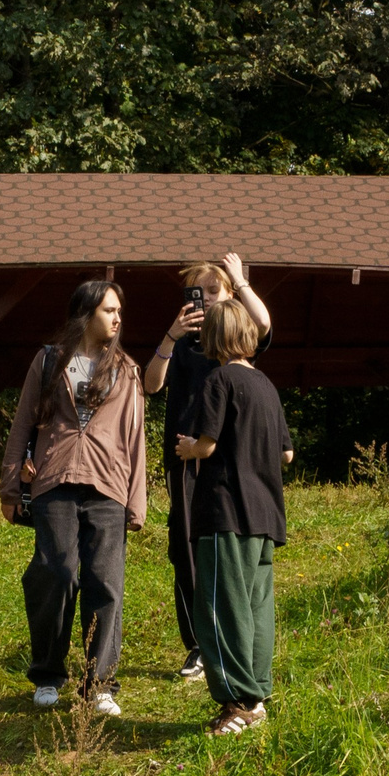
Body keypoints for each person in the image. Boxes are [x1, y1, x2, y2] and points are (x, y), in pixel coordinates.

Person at [0, 277, 154, 716]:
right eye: (109, 310)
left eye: (119, 311)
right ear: (86, 315)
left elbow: (135, 438)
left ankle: (99, 684)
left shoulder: (126, 370)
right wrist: (10, 486)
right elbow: (23, 424)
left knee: (106, 582)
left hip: (109, 487)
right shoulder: (49, 361)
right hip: (55, 482)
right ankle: (48, 674)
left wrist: (136, 502)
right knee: (57, 573)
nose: (118, 318)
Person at [141, 254, 272, 681]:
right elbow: (150, 385)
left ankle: (231, 643)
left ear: (230, 294)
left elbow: (265, 326)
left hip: (229, 460)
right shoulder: (182, 343)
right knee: (185, 547)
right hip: (184, 455)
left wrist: (241, 280)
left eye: (214, 291)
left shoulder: (239, 340)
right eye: (198, 292)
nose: (206, 300)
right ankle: (198, 644)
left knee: (228, 548)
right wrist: (170, 335)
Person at [171, 300, 289, 735]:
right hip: (266, 517)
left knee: (222, 607)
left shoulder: (218, 380)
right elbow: (288, 452)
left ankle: (235, 702)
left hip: (225, 511)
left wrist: (188, 448)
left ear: (214, 340)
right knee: (258, 609)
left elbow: (207, 444)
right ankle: (256, 697)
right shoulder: (267, 386)